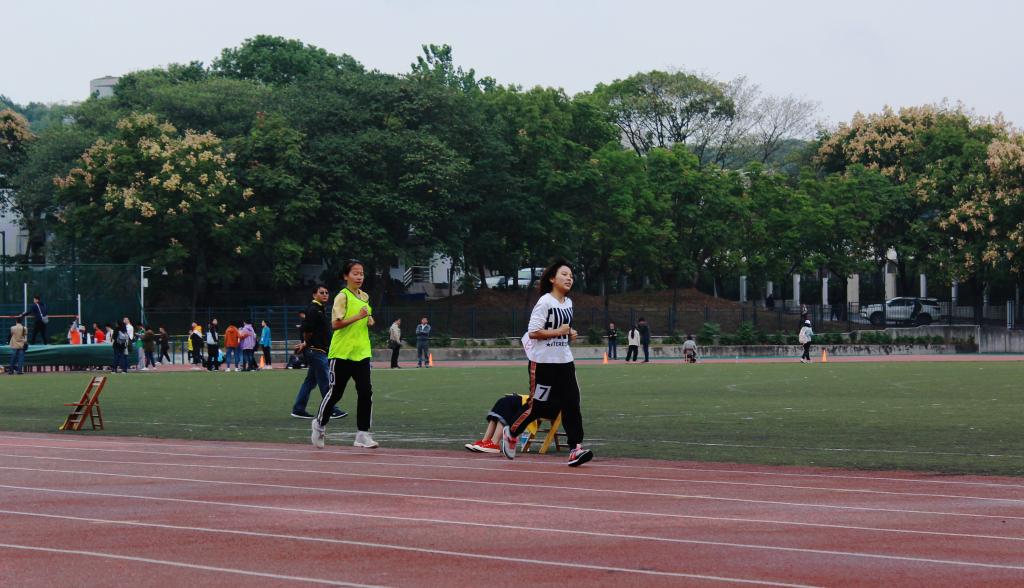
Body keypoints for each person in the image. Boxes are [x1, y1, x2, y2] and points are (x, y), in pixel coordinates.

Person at [500, 259, 593, 467]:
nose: (569, 278)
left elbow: (563, 330)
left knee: (572, 403)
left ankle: (575, 449)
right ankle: (512, 432)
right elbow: (533, 332)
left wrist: (570, 332)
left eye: (571, 276)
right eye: (564, 274)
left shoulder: (568, 303)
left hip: (565, 363)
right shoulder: (545, 302)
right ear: (552, 278)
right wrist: (559, 331)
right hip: (543, 365)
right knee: (538, 407)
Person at [312, 260, 378, 449]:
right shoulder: (342, 296)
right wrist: (358, 317)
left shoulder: (364, 296)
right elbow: (335, 324)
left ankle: (363, 434)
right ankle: (319, 425)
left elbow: (367, 316)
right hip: (342, 353)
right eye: (355, 273)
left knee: (365, 391)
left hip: (361, 352)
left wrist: (369, 319)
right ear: (346, 276)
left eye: (361, 273)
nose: (359, 277)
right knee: (336, 393)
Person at [291, 284, 346, 420]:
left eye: (326, 292)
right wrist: (307, 343)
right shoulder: (314, 310)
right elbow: (307, 330)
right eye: (321, 292)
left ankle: (298, 409)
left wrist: (305, 343)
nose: (325, 294)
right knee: (325, 381)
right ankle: (331, 409)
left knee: (310, 381)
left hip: (317, 350)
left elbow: (312, 330)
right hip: (316, 351)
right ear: (314, 295)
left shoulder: (320, 309)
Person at [465, 393, 536, 454]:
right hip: (534, 398)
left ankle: (494, 443)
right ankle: (485, 441)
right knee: (503, 401)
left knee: (509, 403)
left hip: (538, 404)